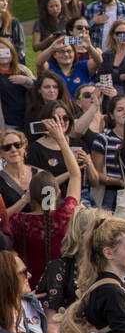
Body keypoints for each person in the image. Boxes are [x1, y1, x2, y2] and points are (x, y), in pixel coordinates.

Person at [9, 116, 81, 285]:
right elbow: (76, 174)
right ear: (57, 192)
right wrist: (61, 139)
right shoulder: (66, 215)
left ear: (30, 196)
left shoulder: (18, 220)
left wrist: (22, 200)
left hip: (31, 286)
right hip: (62, 287)